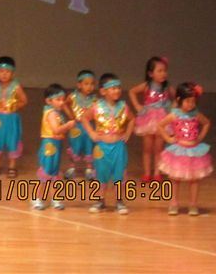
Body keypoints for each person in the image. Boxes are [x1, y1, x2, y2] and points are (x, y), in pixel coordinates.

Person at [82, 73, 134, 215]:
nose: (117, 90)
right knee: (101, 173)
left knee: (119, 173)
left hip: (118, 147)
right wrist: (92, 133)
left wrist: (128, 133)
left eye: (118, 87)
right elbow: (84, 118)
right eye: (113, 88)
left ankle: (119, 201)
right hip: (102, 147)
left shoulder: (123, 106)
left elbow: (132, 119)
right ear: (103, 91)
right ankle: (100, 200)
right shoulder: (96, 106)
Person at [157, 82, 212, 216]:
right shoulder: (174, 115)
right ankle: (173, 203)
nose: (191, 104)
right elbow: (160, 125)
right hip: (179, 151)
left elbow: (206, 123)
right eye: (187, 101)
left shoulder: (196, 114)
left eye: (193, 102)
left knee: (194, 179)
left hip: (194, 151)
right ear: (179, 100)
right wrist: (168, 138)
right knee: (175, 179)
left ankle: (193, 204)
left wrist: (200, 137)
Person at [32, 85, 76, 210]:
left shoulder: (57, 113)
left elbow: (71, 118)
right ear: (49, 101)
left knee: (54, 172)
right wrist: (68, 126)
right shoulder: (51, 113)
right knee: (46, 172)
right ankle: (37, 198)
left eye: (63, 99)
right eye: (58, 99)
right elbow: (56, 130)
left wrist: (66, 108)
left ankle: (55, 198)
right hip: (49, 146)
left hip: (56, 145)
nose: (61, 102)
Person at [129, 56, 173, 182]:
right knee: (147, 148)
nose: (163, 73)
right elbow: (132, 92)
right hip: (148, 119)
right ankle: (147, 172)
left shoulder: (167, 87)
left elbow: (177, 97)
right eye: (159, 71)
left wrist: (173, 107)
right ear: (150, 73)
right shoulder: (147, 86)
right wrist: (137, 106)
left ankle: (157, 172)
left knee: (158, 148)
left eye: (164, 70)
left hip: (162, 120)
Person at [0, 56, 27, 178]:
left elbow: (24, 100)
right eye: (1, 71)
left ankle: (12, 166)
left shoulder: (16, 87)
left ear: (12, 73)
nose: (4, 74)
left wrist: (15, 106)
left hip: (11, 118)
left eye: (8, 71)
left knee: (12, 140)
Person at [63, 70, 96, 179]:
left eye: (92, 84)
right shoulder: (73, 96)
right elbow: (64, 104)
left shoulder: (94, 99)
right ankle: (72, 168)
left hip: (89, 127)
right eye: (86, 84)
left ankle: (89, 169)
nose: (89, 87)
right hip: (76, 127)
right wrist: (71, 115)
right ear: (79, 85)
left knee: (89, 146)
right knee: (74, 146)